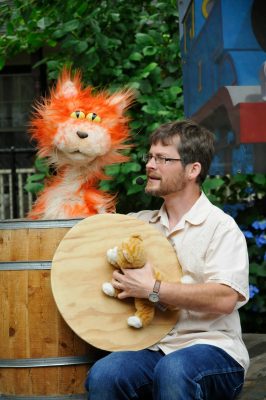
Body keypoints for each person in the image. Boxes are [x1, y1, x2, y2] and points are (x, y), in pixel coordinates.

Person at [85, 119, 249, 400]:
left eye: (162, 159)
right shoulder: (138, 225)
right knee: (106, 373)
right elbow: (84, 244)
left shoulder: (220, 227)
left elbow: (224, 299)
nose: (150, 165)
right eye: (149, 156)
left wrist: (153, 289)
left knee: (174, 370)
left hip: (214, 350)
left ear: (192, 170)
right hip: (153, 349)